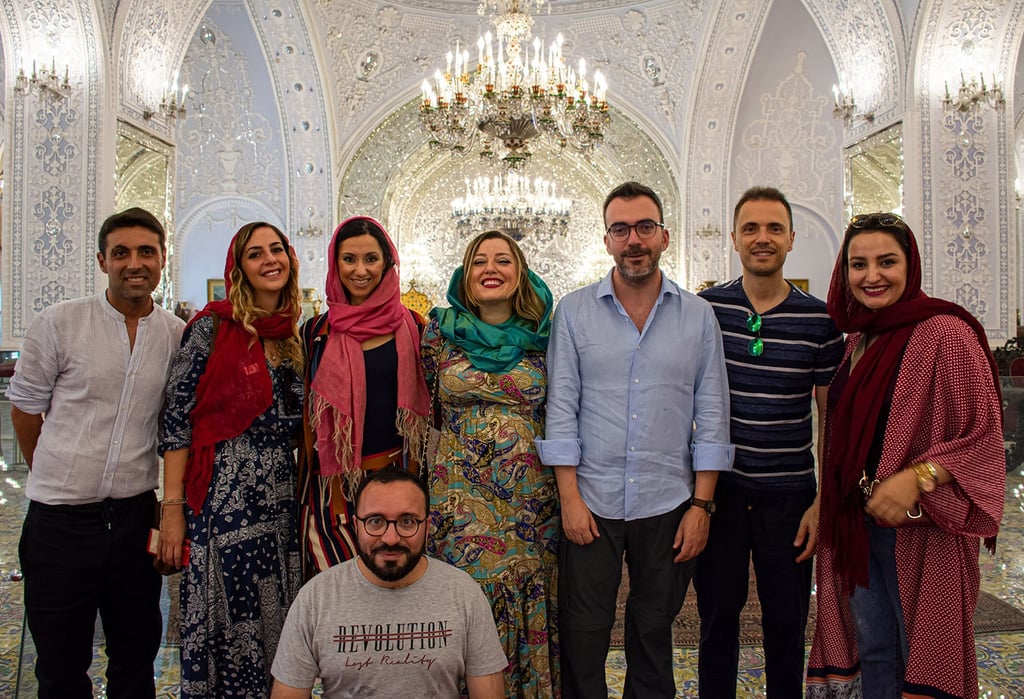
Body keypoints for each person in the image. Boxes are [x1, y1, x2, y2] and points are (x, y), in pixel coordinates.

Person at [536, 181, 734, 698]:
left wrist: (702, 507)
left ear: (664, 236)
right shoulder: (574, 312)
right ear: (606, 241)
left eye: (645, 227)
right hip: (591, 504)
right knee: (583, 635)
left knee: (652, 633)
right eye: (621, 229)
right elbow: (561, 410)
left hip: (669, 502)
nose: (634, 240)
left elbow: (713, 415)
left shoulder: (698, 316)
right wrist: (569, 499)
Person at [806, 213, 1005, 698]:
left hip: (922, 527)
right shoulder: (857, 339)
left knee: (919, 651)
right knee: (875, 649)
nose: (872, 275)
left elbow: (984, 436)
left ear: (909, 265)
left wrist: (919, 477)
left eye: (886, 262)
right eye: (859, 264)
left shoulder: (944, 333)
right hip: (860, 523)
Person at [8, 207, 184, 698]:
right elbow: (25, 409)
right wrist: (56, 471)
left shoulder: (175, 335)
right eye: (122, 252)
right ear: (102, 260)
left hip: (133, 519)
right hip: (59, 523)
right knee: (61, 665)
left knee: (135, 657)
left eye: (146, 252)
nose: (135, 263)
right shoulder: (60, 323)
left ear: (162, 260)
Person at [695, 186, 844, 698]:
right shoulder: (705, 311)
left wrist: (823, 500)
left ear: (791, 239)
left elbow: (831, 416)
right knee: (716, 620)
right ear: (734, 238)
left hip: (790, 499)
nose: (763, 238)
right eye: (752, 229)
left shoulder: (820, 320)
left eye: (774, 228)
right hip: (722, 495)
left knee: (787, 623)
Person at [158, 221, 305, 698]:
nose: (270, 260)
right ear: (239, 268)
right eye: (256, 253)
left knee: (276, 621)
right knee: (230, 624)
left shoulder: (293, 335)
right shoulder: (211, 328)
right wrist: (173, 508)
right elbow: (177, 420)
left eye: (277, 249)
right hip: (223, 504)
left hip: (282, 504)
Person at [422, 229, 559, 698]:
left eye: (503, 260)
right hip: (457, 502)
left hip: (530, 504)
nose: (491, 269)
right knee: (466, 604)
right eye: (480, 261)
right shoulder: (439, 332)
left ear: (520, 273)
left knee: (528, 598)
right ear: (466, 273)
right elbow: (422, 408)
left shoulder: (547, 338)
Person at [270, 467, 508, 699]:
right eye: (375, 521)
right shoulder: (315, 598)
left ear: (427, 526)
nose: (391, 538)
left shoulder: (464, 593)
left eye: (407, 521)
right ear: (356, 526)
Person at [298, 215, 430, 576]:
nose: (360, 270)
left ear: (388, 263)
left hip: (398, 480)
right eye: (349, 259)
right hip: (332, 488)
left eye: (371, 259)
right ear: (335, 263)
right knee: (338, 588)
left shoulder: (415, 328)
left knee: (392, 584)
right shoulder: (315, 333)